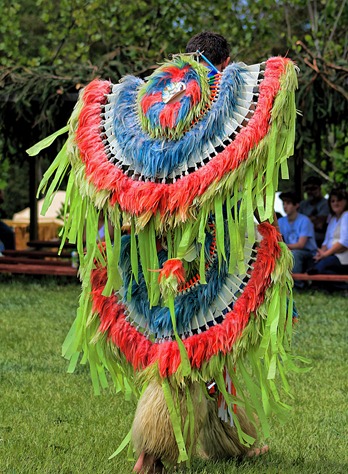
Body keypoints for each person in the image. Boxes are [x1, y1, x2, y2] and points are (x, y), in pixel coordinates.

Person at [30, 31, 301, 472]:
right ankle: (151, 455)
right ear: (226, 59)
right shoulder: (223, 99)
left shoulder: (145, 101)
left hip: (143, 245)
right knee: (182, 344)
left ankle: (231, 439)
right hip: (201, 246)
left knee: (210, 344)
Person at [309, 188, 348, 290]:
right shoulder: (332, 218)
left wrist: (325, 255)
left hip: (343, 256)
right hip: (332, 255)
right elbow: (326, 241)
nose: (335, 203)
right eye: (333, 201)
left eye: (339, 200)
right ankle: (342, 287)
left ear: (346, 201)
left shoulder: (346, 216)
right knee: (317, 265)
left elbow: (344, 243)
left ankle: (314, 279)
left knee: (320, 267)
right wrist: (321, 253)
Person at [278, 192, 317, 288]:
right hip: (289, 250)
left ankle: (297, 285)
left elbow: (301, 245)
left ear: (296, 205)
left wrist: (283, 247)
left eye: (288, 203)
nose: (285, 206)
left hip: (309, 254)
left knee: (295, 254)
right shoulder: (280, 221)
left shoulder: (305, 220)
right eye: (283, 203)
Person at [299, 176, 329, 246]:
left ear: (319, 188)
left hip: (320, 241)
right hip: (302, 240)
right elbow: (297, 223)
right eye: (307, 189)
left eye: (313, 188)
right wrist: (312, 220)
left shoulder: (326, 203)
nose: (310, 191)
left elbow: (320, 224)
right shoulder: (303, 204)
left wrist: (304, 222)